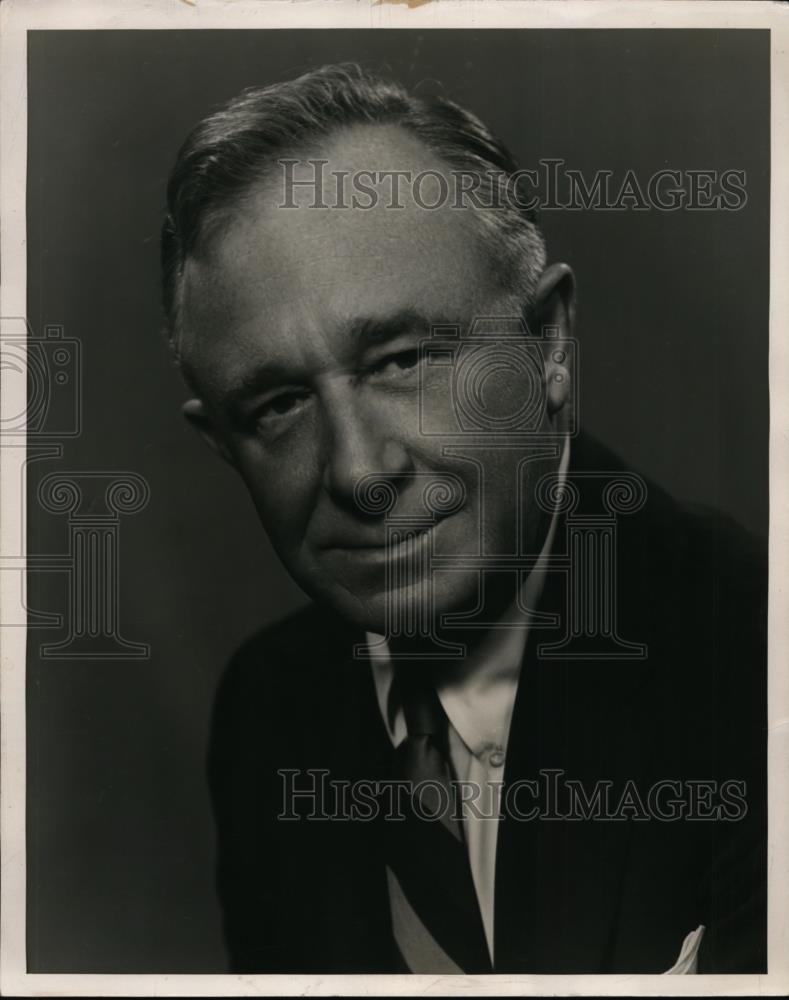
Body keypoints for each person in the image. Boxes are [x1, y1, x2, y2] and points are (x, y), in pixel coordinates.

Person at [160, 63, 766, 974]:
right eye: (279, 406)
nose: (360, 470)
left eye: (400, 360)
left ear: (548, 342)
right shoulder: (267, 712)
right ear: (222, 444)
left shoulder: (755, 655)